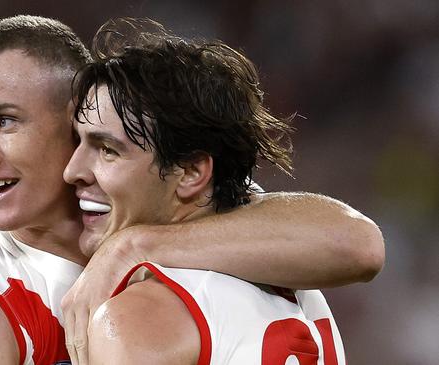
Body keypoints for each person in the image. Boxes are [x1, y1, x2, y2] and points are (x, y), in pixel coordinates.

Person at [0, 15, 383, 365]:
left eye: (5, 121)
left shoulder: (186, 215)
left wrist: (134, 246)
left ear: (79, 115)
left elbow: (358, 244)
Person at [63, 18, 348, 364]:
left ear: (191, 172)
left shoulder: (135, 319)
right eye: (78, 142)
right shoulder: (292, 273)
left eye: (107, 150)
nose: (71, 171)